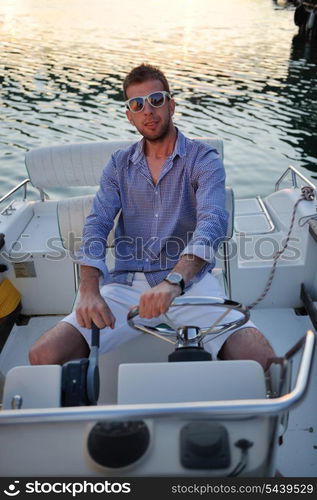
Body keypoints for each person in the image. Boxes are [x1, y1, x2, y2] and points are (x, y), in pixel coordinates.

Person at [29, 64, 275, 370]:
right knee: (43, 355)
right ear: (129, 115)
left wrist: (174, 281)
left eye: (156, 100)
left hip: (189, 283)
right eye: (137, 104)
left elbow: (211, 222)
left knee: (265, 361)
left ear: (171, 104)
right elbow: (97, 224)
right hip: (125, 286)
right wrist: (88, 289)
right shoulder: (119, 164)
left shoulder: (203, 159)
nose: (149, 110)